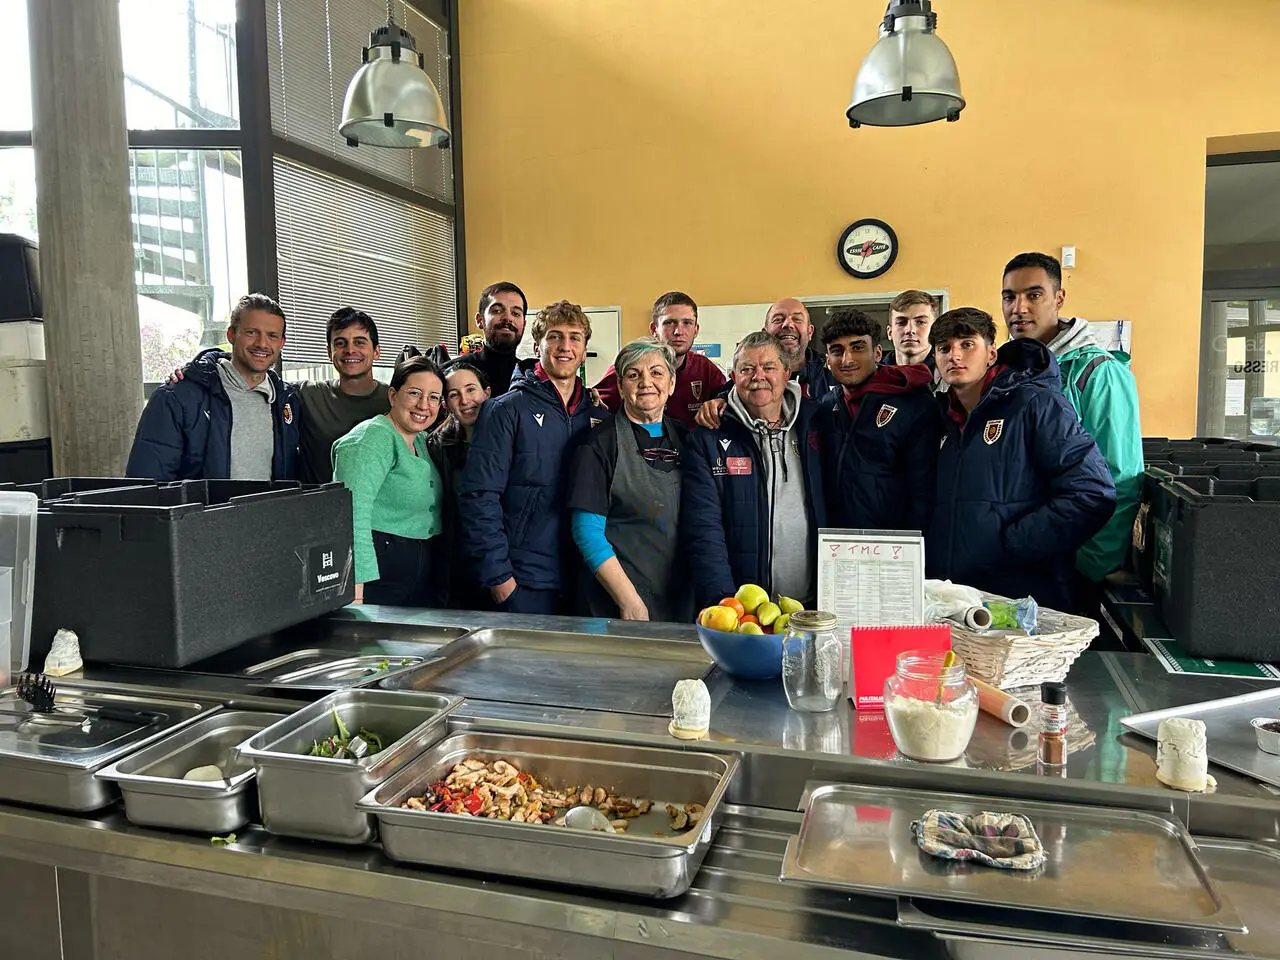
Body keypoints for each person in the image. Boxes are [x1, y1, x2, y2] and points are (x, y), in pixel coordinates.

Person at [925, 307, 1116, 613]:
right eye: (944, 348)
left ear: (991, 354)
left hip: (1022, 596)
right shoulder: (940, 418)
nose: (954, 355)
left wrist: (1014, 542)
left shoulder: (1035, 403)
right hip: (956, 600)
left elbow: (1092, 492)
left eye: (967, 344)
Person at [1000, 252, 1144, 610]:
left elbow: (1121, 477)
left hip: (1069, 566)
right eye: (1009, 296)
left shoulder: (1098, 372)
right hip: (1017, 558)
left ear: (1058, 299)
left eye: (1033, 295)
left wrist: (1089, 565)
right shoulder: (1006, 370)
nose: (1019, 308)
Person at [460, 299, 610, 615]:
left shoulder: (597, 415)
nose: (564, 346)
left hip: (585, 578)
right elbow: (479, 497)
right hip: (524, 580)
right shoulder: (505, 410)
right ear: (537, 344)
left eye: (574, 337)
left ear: (584, 350)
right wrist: (499, 578)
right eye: (554, 336)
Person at [682, 332, 827, 610]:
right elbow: (703, 529)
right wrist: (723, 603)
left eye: (768, 367)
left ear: (786, 374)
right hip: (742, 610)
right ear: (734, 377)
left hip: (812, 602)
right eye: (747, 369)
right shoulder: (707, 438)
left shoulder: (817, 423)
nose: (758, 376)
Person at [568, 338, 693, 621]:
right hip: (617, 604)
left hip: (679, 600)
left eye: (657, 373)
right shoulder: (598, 445)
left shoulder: (687, 439)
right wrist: (629, 600)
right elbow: (586, 531)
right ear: (621, 386)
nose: (646, 382)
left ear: (672, 383)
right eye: (633, 374)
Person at [127, 293, 300, 481]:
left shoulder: (288, 401)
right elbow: (148, 486)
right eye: (251, 332)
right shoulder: (176, 398)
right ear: (231, 335)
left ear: (282, 343)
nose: (262, 343)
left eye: (272, 336)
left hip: (270, 511)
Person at [332, 356, 447, 606]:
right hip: (379, 578)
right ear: (393, 395)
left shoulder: (420, 439)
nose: (424, 405)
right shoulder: (371, 438)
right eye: (415, 393)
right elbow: (351, 516)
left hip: (417, 577)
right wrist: (355, 594)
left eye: (434, 397)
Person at [817, 308, 939, 532]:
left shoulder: (914, 405)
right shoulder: (826, 406)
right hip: (835, 546)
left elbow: (924, 491)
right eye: (837, 350)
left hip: (893, 548)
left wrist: (912, 548)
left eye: (858, 348)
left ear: (877, 352)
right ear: (827, 360)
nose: (847, 359)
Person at [694, 296, 837, 430]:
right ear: (765, 331)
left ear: (810, 331)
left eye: (797, 319)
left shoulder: (833, 374)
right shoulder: (740, 386)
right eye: (778, 319)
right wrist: (715, 406)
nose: (788, 324)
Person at [591, 292, 726, 428]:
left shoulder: (705, 369)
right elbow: (594, 405)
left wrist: (721, 401)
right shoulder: (626, 368)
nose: (678, 331)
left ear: (696, 330)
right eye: (669, 323)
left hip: (689, 446)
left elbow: (730, 398)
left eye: (687, 323)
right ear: (653, 329)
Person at [295, 308, 391, 483]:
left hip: (380, 507)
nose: (350, 350)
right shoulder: (308, 395)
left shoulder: (396, 401)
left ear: (377, 351)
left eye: (360, 342)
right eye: (340, 343)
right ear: (328, 352)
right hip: (320, 506)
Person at [428, 362, 492, 610]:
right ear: (445, 404)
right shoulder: (438, 445)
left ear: (487, 392)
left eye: (471, 390)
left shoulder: (511, 438)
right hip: (457, 564)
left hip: (502, 560)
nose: (465, 400)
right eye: (454, 394)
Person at [442, 281, 527, 396]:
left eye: (516, 313)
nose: (507, 318)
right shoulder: (449, 374)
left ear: (524, 325)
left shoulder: (532, 377)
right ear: (479, 320)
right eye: (497, 311)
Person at [884, 289, 939, 375]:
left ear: (935, 330)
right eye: (901, 323)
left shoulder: (949, 373)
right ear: (890, 332)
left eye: (921, 322)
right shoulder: (872, 375)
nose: (910, 330)